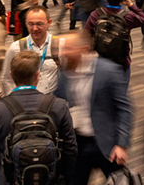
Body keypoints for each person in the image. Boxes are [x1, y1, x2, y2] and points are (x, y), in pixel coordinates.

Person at [0, 51, 77, 185]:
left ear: (11, 75)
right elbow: (71, 149)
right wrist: (64, 178)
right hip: (49, 179)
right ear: (37, 75)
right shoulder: (59, 106)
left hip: (9, 180)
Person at [55, 31, 133, 185]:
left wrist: (122, 144)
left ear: (84, 49)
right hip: (78, 143)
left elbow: (124, 109)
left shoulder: (108, 70)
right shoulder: (65, 72)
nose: (64, 53)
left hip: (106, 144)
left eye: (69, 49)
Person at [84, 0, 144, 70]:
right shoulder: (127, 16)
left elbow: (86, 34)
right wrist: (131, 5)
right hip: (121, 62)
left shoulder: (96, 14)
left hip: (101, 60)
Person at [0, 6, 61, 94]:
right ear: (26, 23)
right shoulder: (16, 48)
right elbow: (6, 78)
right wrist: (13, 99)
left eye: (39, 24)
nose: (35, 28)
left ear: (49, 23)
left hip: (52, 98)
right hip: (26, 98)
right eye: (31, 24)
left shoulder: (60, 45)